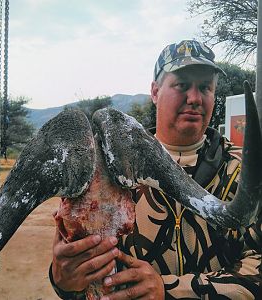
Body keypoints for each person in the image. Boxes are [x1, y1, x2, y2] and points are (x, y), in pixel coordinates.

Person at [49, 40, 262, 299]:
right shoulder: (103, 173)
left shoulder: (245, 172)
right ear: (154, 91)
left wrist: (170, 291)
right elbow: (83, 279)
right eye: (181, 85)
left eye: (205, 87)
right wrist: (63, 281)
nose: (195, 98)